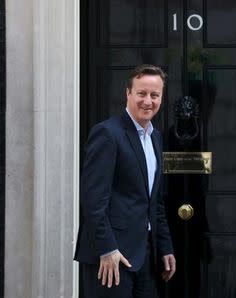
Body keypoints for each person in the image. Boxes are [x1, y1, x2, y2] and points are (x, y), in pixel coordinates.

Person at [74, 64, 176, 297]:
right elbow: (93, 201)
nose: (148, 101)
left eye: (154, 95)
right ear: (128, 93)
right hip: (111, 257)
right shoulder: (108, 134)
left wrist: (166, 246)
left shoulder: (155, 138)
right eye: (141, 93)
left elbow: (154, 201)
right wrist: (107, 248)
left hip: (146, 256)